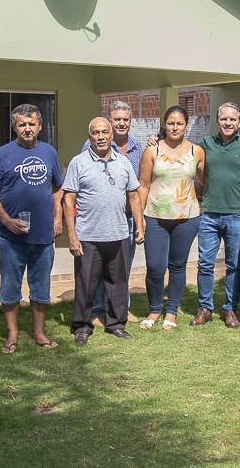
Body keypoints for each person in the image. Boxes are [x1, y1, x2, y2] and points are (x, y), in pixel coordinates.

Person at [0, 104, 64, 353]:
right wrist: (6, 220)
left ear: (40, 126)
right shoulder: (2, 154)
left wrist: (58, 217)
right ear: (14, 127)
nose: (27, 129)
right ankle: (12, 334)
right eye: (22, 124)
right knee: (10, 287)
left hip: (42, 234)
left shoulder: (49, 152)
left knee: (41, 286)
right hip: (11, 237)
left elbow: (57, 187)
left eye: (31, 124)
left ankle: (39, 333)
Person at [65, 118, 145, 344]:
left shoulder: (124, 162)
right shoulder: (78, 163)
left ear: (112, 135)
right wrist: (72, 236)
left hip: (118, 233)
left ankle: (116, 323)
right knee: (85, 284)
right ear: (89, 136)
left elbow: (134, 196)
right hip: (88, 236)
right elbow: (68, 200)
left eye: (104, 132)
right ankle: (82, 326)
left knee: (118, 282)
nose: (100, 137)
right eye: (95, 133)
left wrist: (139, 226)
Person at [137, 105, 205, 330]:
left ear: (186, 125)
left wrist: (201, 203)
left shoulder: (197, 151)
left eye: (179, 123)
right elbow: (143, 186)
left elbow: (205, 181)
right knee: (155, 266)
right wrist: (140, 219)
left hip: (187, 218)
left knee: (177, 266)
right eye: (170, 123)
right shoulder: (152, 150)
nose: (175, 127)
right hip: (155, 217)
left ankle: (172, 311)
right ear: (164, 124)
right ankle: (155, 309)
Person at [81, 100, 144, 325]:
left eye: (125, 119)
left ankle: (121, 310)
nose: (121, 123)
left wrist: (139, 220)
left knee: (122, 269)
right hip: (99, 220)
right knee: (99, 269)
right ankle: (98, 309)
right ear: (109, 121)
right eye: (117, 119)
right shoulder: (92, 146)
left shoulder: (138, 148)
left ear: (130, 122)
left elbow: (139, 188)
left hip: (126, 218)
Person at [191, 102, 240, 328]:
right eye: (224, 119)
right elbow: (179, 153)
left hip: (237, 214)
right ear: (217, 121)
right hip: (208, 213)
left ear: (239, 122)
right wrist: (154, 141)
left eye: (232, 119)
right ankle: (205, 308)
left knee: (234, 265)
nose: (228, 123)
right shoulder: (205, 144)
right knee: (205, 263)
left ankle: (230, 309)